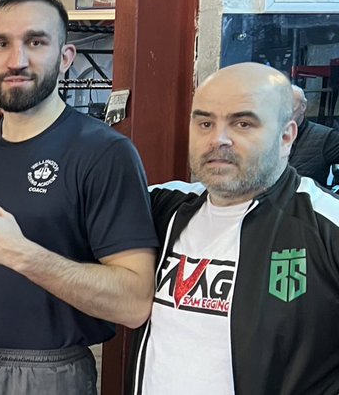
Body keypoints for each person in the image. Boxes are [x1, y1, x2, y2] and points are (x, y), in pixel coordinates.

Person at [0, 0, 157, 395]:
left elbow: (135, 302)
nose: (17, 60)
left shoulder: (105, 154)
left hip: (48, 374)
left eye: (35, 42)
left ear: (66, 57)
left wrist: (24, 255)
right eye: (2, 44)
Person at [130, 63, 339, 394]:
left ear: (286, 137)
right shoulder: (162, 206)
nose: (218, 139)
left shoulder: (327, 225)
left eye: (243, 123)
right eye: (204, 122)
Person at [287, 84, 339, 187]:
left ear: (303, 107)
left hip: (308, 201)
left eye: (290, 105)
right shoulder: (264, 135)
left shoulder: (326, 137)